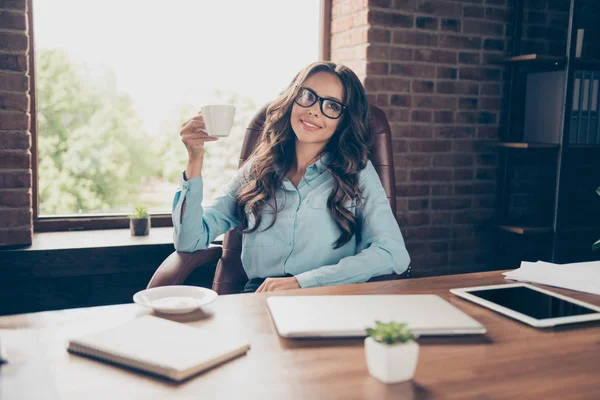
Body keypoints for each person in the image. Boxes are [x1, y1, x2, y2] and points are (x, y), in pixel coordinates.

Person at [172, 61, 410, 293]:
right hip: (258, 298)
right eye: (308, 96)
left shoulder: (357, 172)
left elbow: (392, 253)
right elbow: (189, 240)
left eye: (333, 106)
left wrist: (302, 282)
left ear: (343, 121)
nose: (314, 110)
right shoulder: (258, 169)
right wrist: (195, 158)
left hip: (327, 296)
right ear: (292, 99)